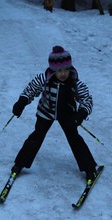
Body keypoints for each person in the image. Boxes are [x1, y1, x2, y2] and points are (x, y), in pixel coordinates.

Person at [11, 46, 99, 183]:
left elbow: (86, 99)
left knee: (75, 139)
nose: (63, 73)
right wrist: (22, 102)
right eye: (59, 70)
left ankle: (90, 168)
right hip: (46, 112)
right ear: (53, 69)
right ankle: (20, 163)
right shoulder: (44, 79)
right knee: (36, 136)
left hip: (68, 115)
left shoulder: (74, 82)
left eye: (66, 70)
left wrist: (81, 113)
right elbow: (31, 89)